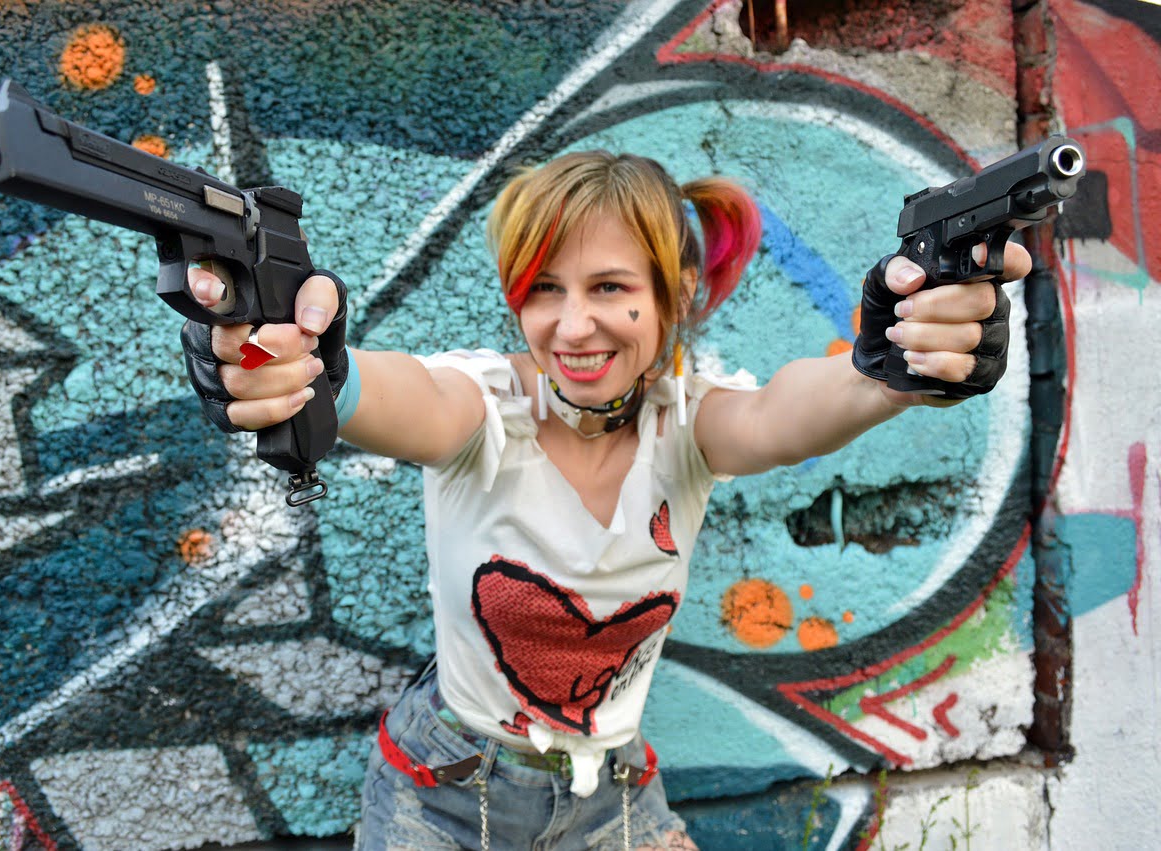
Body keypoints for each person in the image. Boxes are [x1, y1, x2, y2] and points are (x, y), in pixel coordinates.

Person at [183, 150, 1028, 850]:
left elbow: (781, 413)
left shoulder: (689, 424)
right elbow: (398, 395)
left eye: (611, 287)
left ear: (673, 294)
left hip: (611, 799)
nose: (573, 325)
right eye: (544, 288)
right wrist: (310, 367)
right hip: (442, 793)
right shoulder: (485, 408)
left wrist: (890, 369)